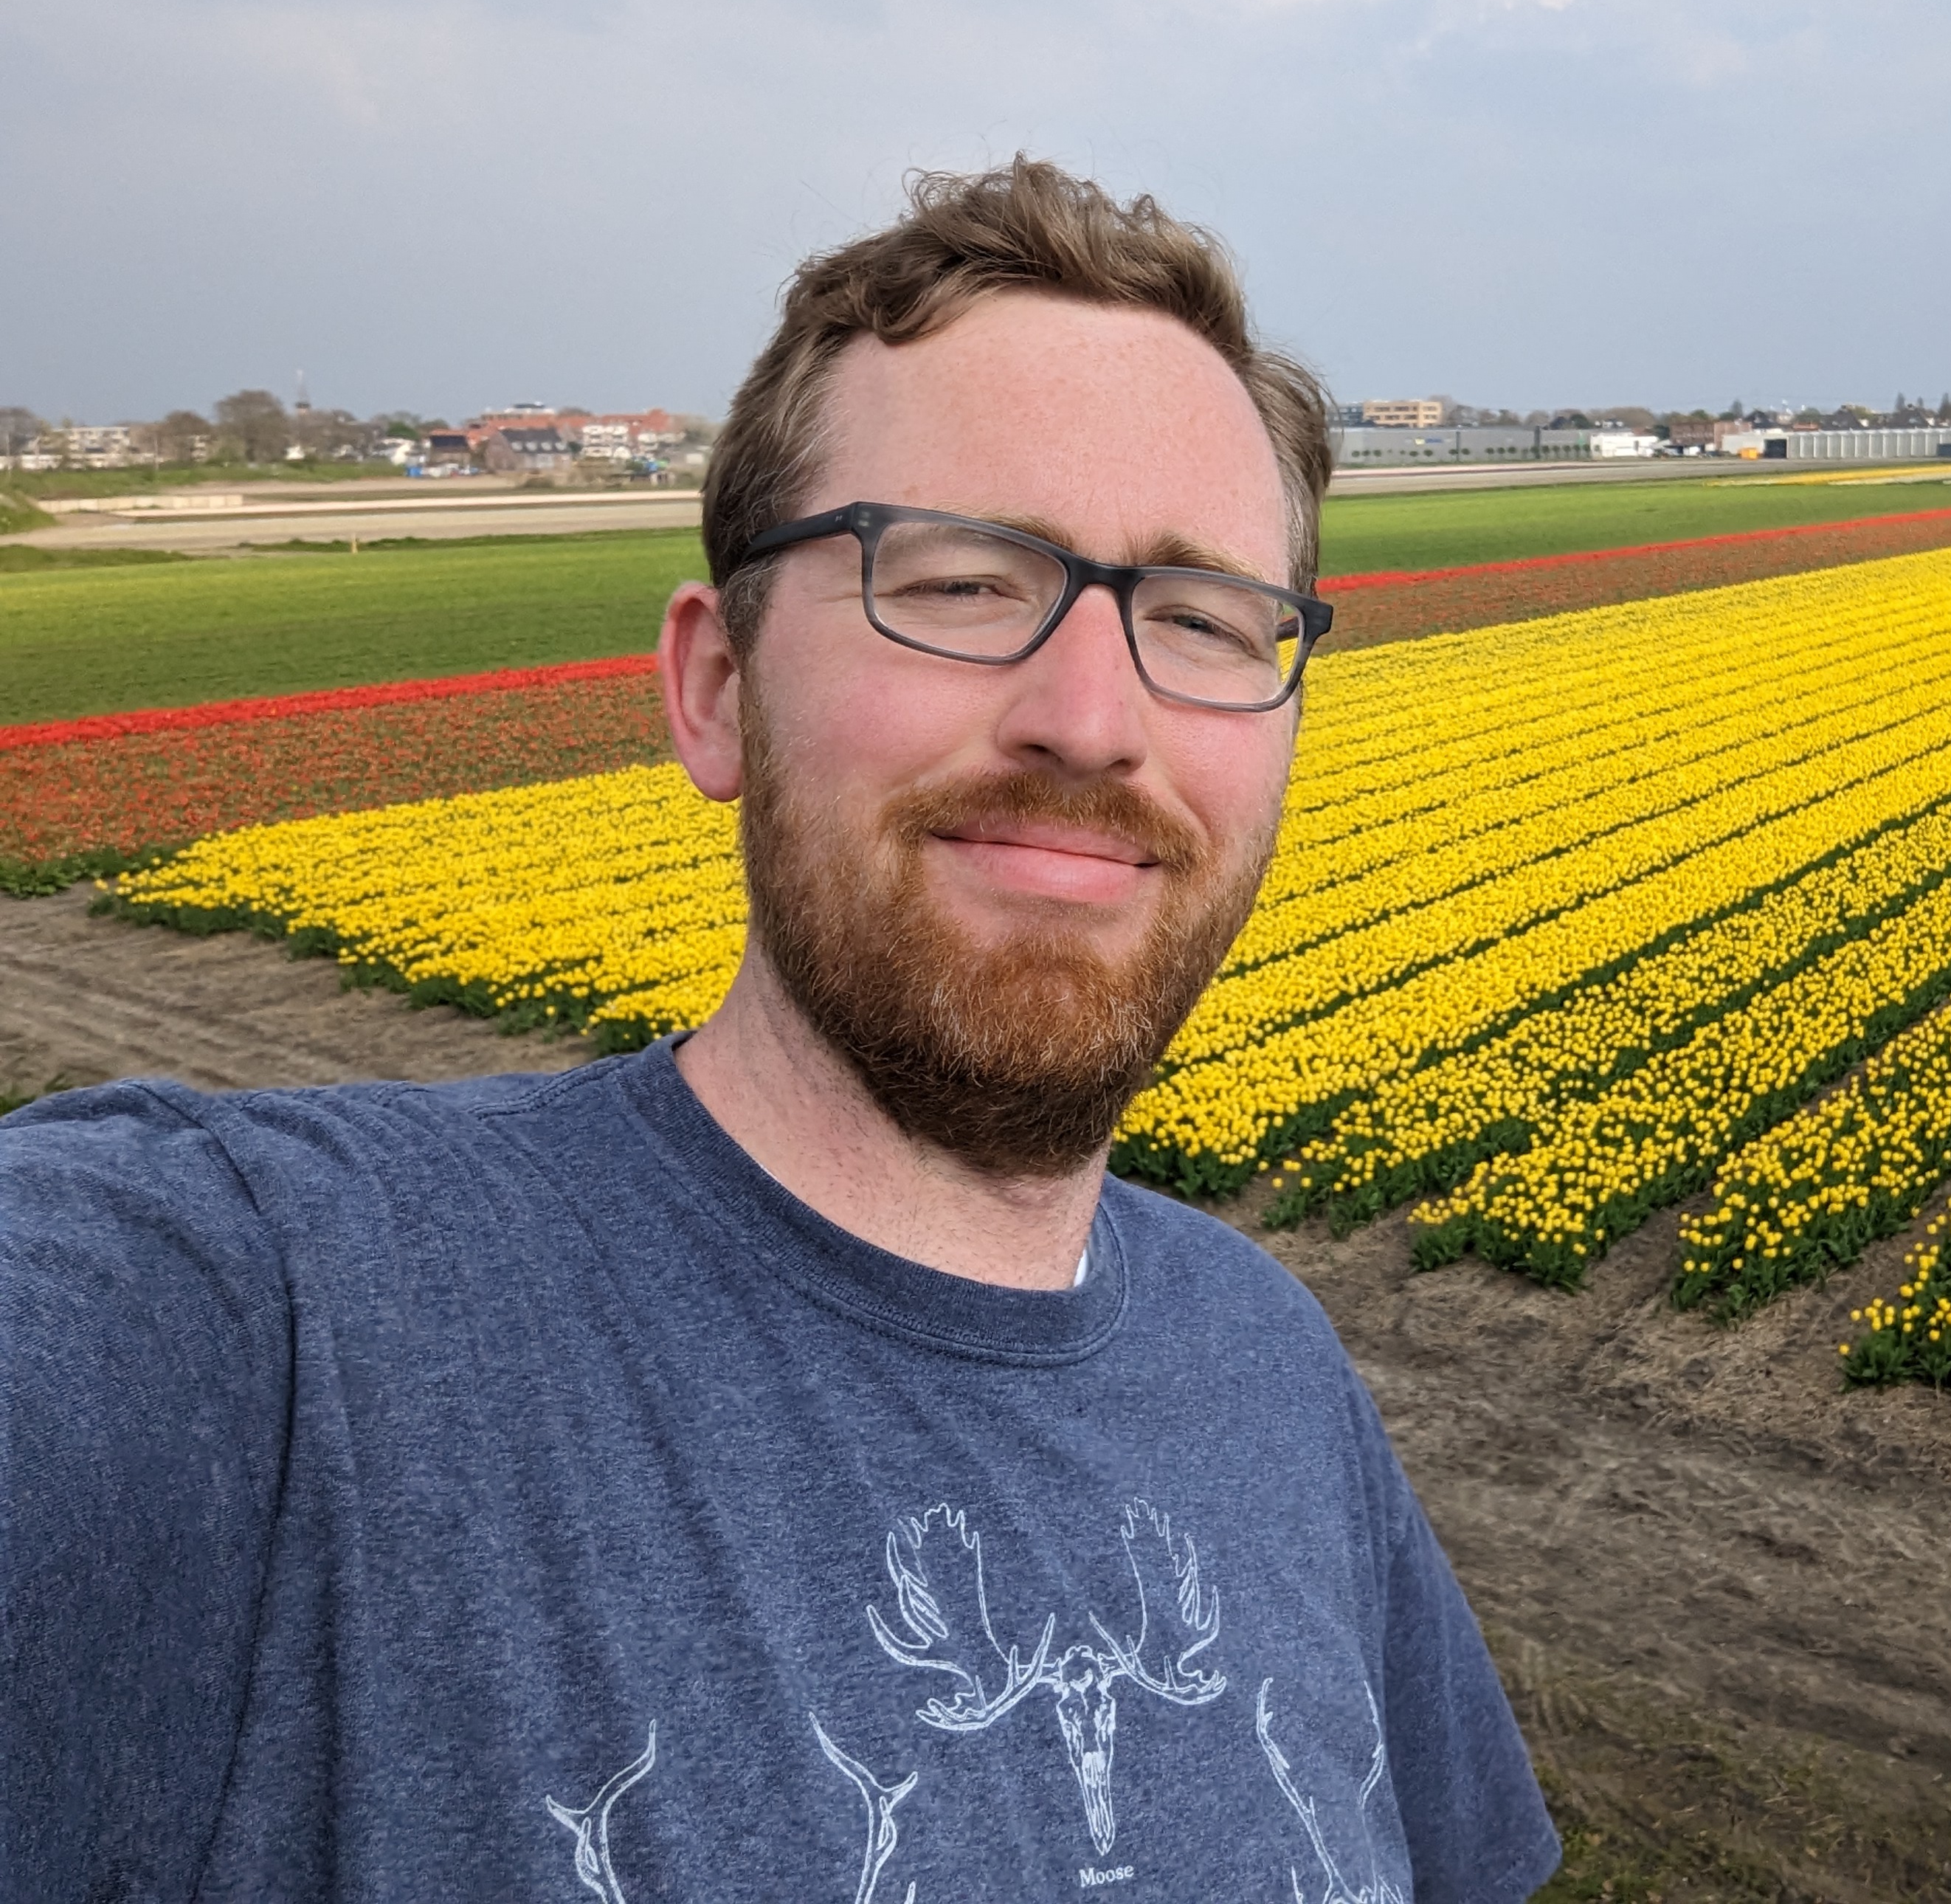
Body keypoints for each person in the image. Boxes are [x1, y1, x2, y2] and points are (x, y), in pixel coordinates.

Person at [1, 161, 1559, 1903]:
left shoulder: (1269, 1370)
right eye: (960, 582)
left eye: (1200, 618)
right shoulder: (264, 1328)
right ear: (717, 689)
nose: (1093, 718)